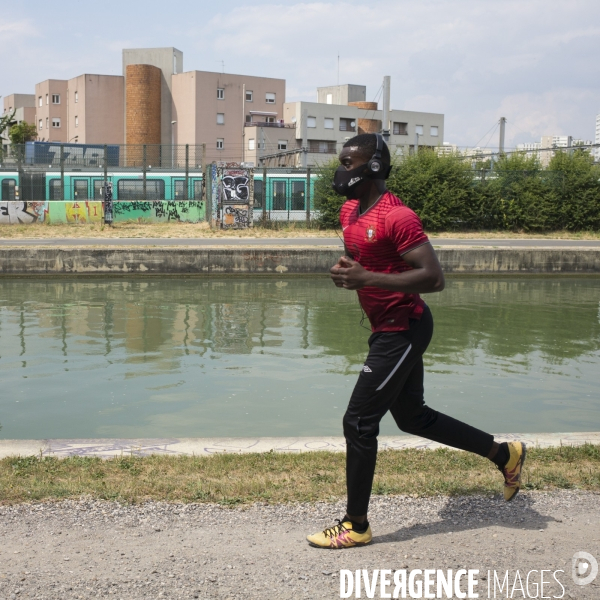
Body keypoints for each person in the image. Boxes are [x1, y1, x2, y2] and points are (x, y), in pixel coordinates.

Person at [306, 133, 526, 549]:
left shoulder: (398, 216)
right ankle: (505, 454)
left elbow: (433, 278)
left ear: (373, 166)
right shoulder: (350, 211)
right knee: (413, 418)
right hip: (385, 327)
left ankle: (356, 525)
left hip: (403, 328)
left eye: (349, 163)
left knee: (358, 421)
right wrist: (348, 271)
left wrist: (366, 278)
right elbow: (367, 259)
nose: (341, 170)